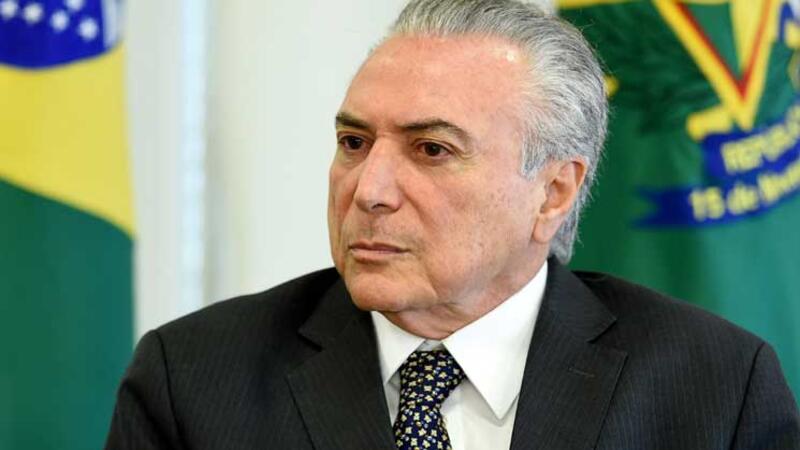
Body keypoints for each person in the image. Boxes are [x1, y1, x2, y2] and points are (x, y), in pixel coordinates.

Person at [106, 1, 800, 449]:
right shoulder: (195, 380)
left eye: (432, 149)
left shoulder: (713, 390)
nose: (369, 190)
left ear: (553, 192)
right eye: (353, 143)